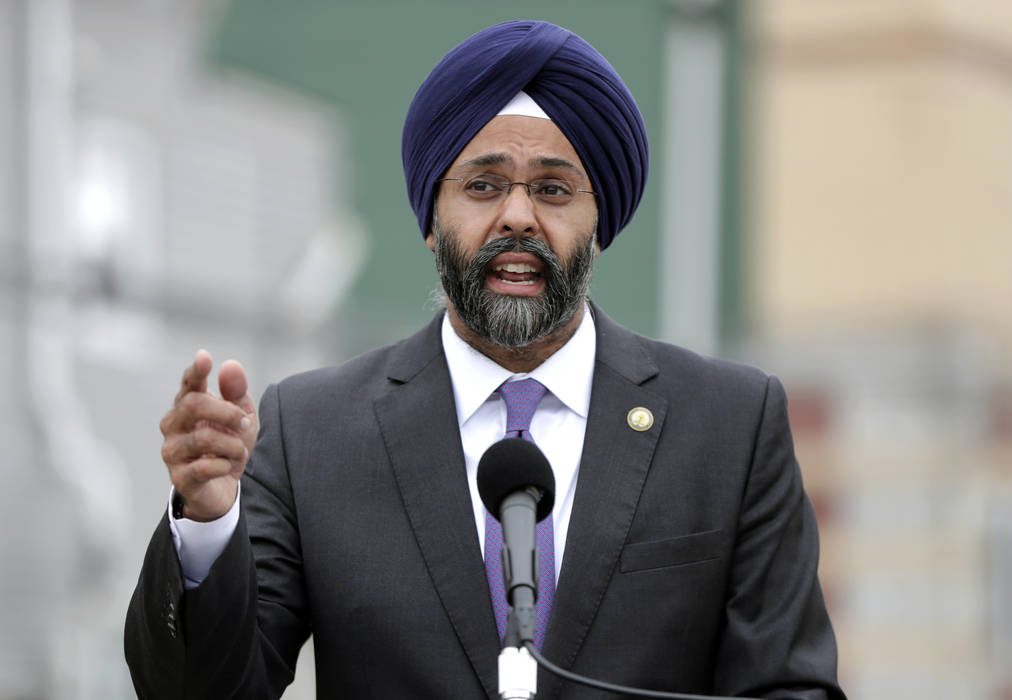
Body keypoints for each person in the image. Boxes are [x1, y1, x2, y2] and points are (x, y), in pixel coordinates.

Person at [125, 20, 845, 700]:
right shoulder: (312, 430)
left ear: (601, 229)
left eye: (554, 190)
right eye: (483, 185)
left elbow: (790, 684)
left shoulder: (728, 427)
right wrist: (208, 521)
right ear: (431, 223)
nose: (519, 218)